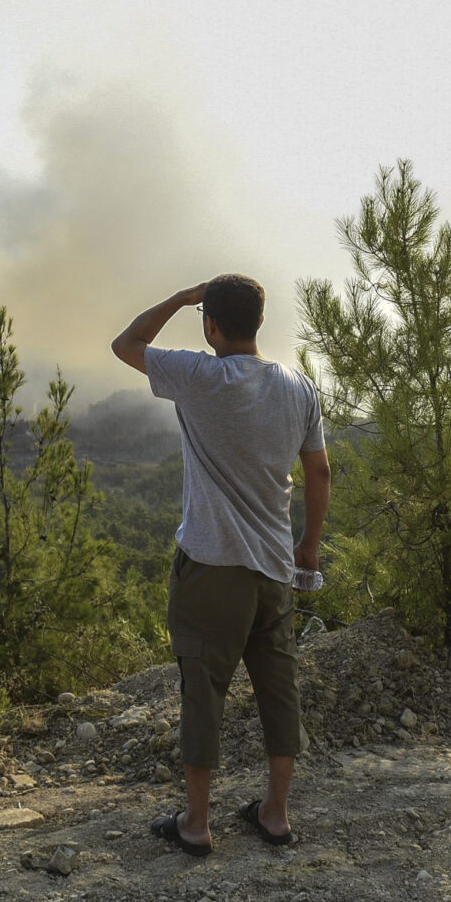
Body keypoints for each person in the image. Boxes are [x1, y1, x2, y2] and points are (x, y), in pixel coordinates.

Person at [111, 274, 330, 854]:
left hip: (211, 567)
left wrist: (183, 297)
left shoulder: (199, 377)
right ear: (259, 321)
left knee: (203, 692)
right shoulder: (299, 387)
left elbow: (126, 345)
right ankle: (276, 814)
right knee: (279, 689)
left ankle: (197, 824)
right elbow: (319, 472)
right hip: (274, 568)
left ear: (211, 325)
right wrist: (308, 545)